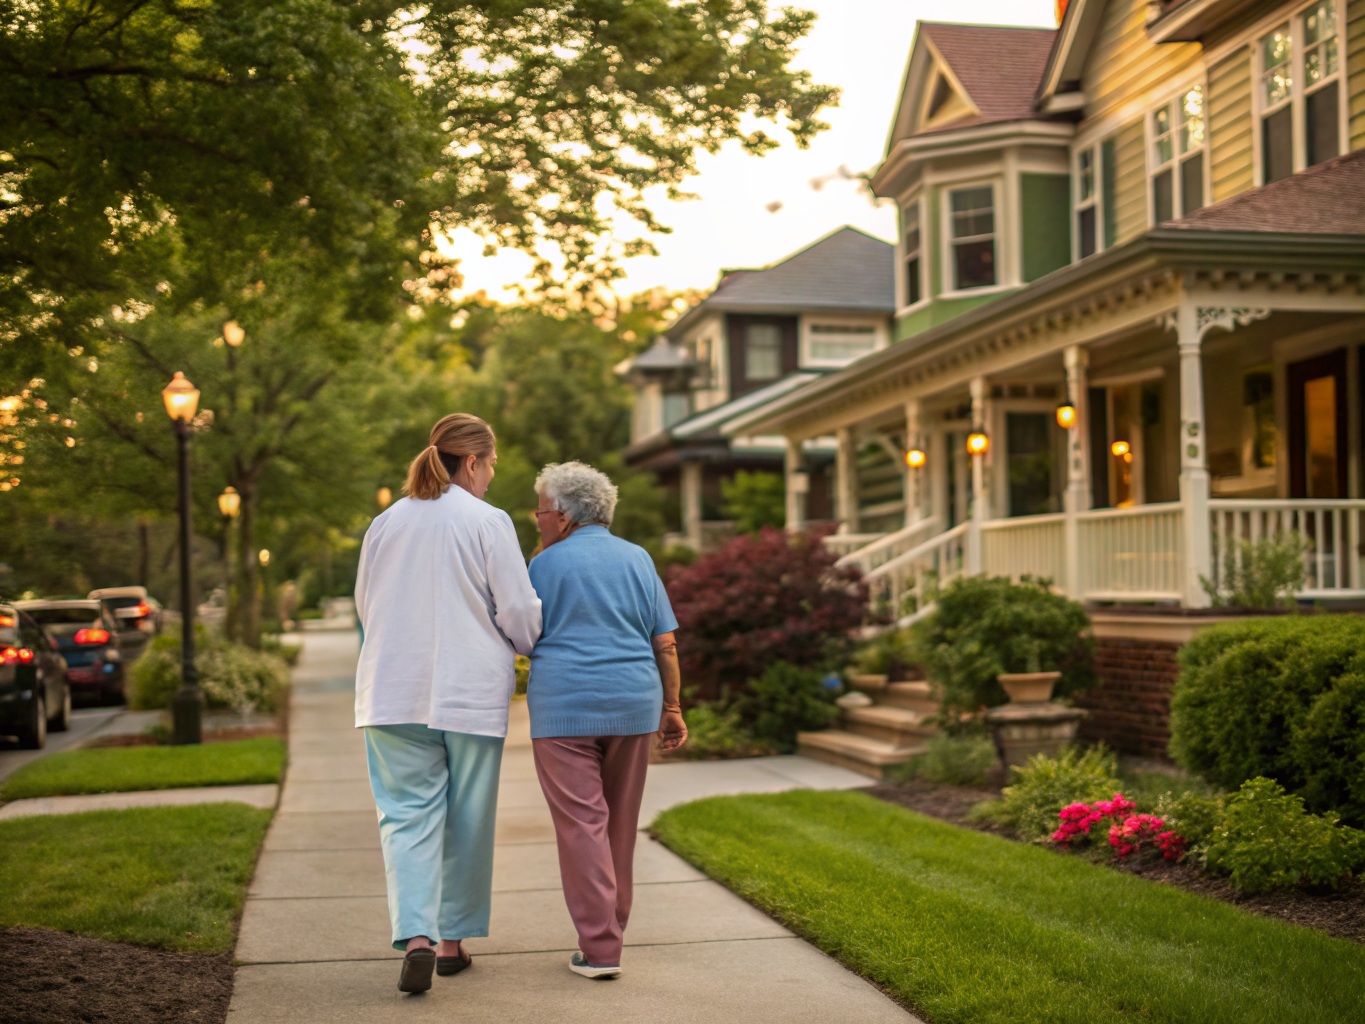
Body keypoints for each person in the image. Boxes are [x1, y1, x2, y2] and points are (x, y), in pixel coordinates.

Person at [354, 413, 541, 994]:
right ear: (470, 462)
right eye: (489, 467)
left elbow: (366, 605)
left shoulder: (384, 523)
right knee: (468, 817)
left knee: (405, 816)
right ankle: (453, 941)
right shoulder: (488, 521)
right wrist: (527, 645)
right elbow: (517, 610)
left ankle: (416, 936)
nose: (489, 478)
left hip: (390, 691)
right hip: (468, 692)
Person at [526, 461, 688, 980]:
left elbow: (520, 637)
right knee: (618, 822)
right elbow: (664, 641)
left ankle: (600, 948)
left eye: (542, 510)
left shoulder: (544, 566)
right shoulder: (638, 559)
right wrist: (672, 707)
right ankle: (611, 929)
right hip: (633, 705)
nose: (537, 519)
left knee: (581, 825)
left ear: (567, 515)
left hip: (563, 710)